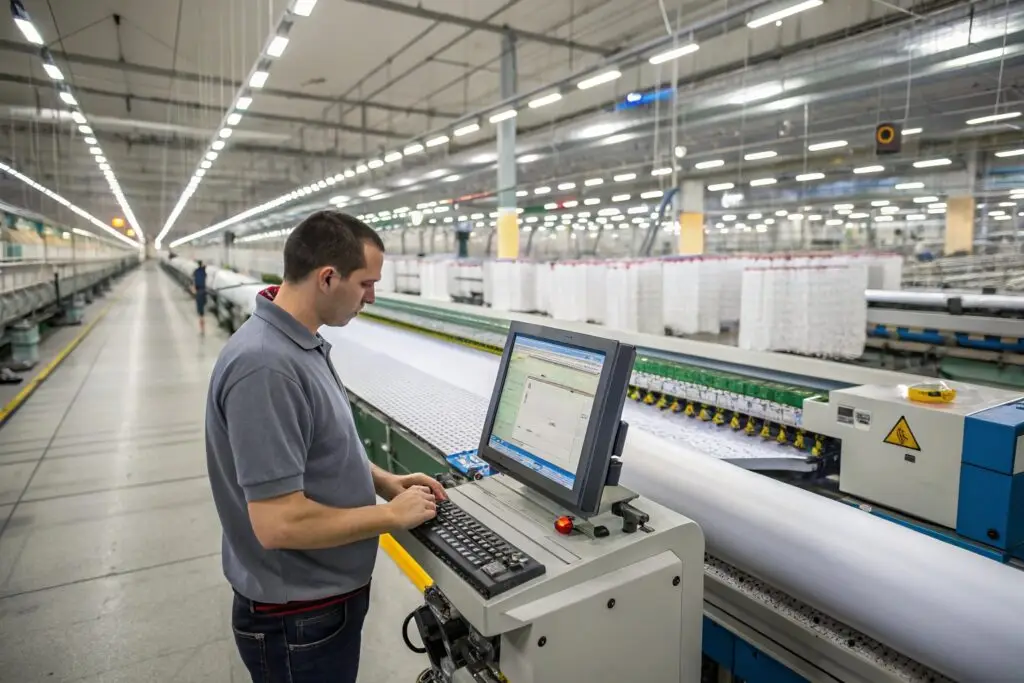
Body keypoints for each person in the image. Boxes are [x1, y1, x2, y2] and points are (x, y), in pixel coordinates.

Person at [204, 210, 445, 683]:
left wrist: (383, 480)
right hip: (297, 616)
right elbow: (278, 523)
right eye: (365, 284)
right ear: (328, 278)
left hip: (316, 601)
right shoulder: (265, 368)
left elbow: (317, 448)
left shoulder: (300, 343)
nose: (371, 298)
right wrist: (390, 518)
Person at [192, 260, 207, 334]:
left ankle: (202, 329)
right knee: (202, 312)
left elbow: (195, 281)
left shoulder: (196, 272)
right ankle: (202, 329)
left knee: (201, 313)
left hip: (199, 293)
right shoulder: (204, 272)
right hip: (204, 292)